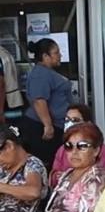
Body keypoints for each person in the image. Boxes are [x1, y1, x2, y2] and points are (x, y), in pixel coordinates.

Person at [19, 38, 73, 166]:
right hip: (42, 128)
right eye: (56, 53)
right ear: (45, 56)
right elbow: (39, 100)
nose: (60, 55)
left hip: (55, 125)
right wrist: (48, 125)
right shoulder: (40, 74)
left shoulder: (48, 72)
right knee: (47, 162)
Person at [0, 125, 49, 212]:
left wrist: (2, 187)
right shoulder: (3, 168)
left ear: (9, 146)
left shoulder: (32, 164)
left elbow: (33, 192)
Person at [50, 104, 105, 186]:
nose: (74, 152)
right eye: (67, 120)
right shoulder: (62, 149)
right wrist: (59, 176)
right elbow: (54, 176)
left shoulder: (102, 150)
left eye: (82, 146)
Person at [0, 44, 23, 124]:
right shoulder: (4, 52)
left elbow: (1, 85)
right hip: (14, 102)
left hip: (5, 106)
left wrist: (0, 111)